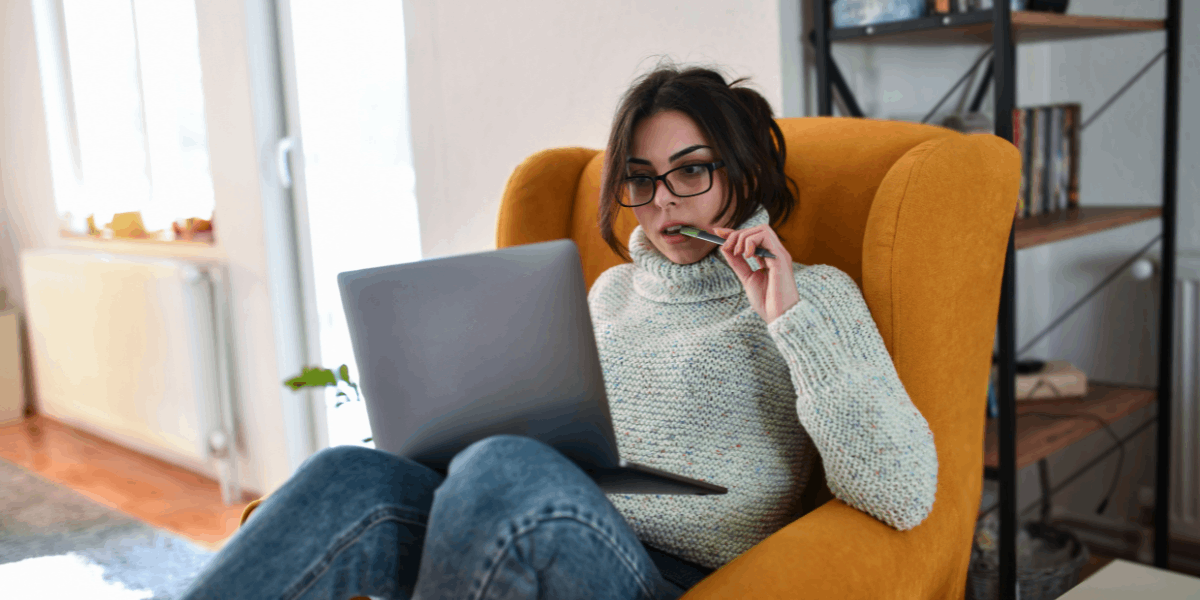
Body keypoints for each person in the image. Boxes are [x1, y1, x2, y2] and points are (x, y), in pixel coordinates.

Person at [178, 64, 938, 600]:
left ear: (741, 173)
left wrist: (789, 322)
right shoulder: (610, 290)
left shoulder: (813, 295)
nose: (664, 202)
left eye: (691, 171)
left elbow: (901, 492)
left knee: (505, 466)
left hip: (652, 573)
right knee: (349, 473)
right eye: (641, 179)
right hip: (507, 521)